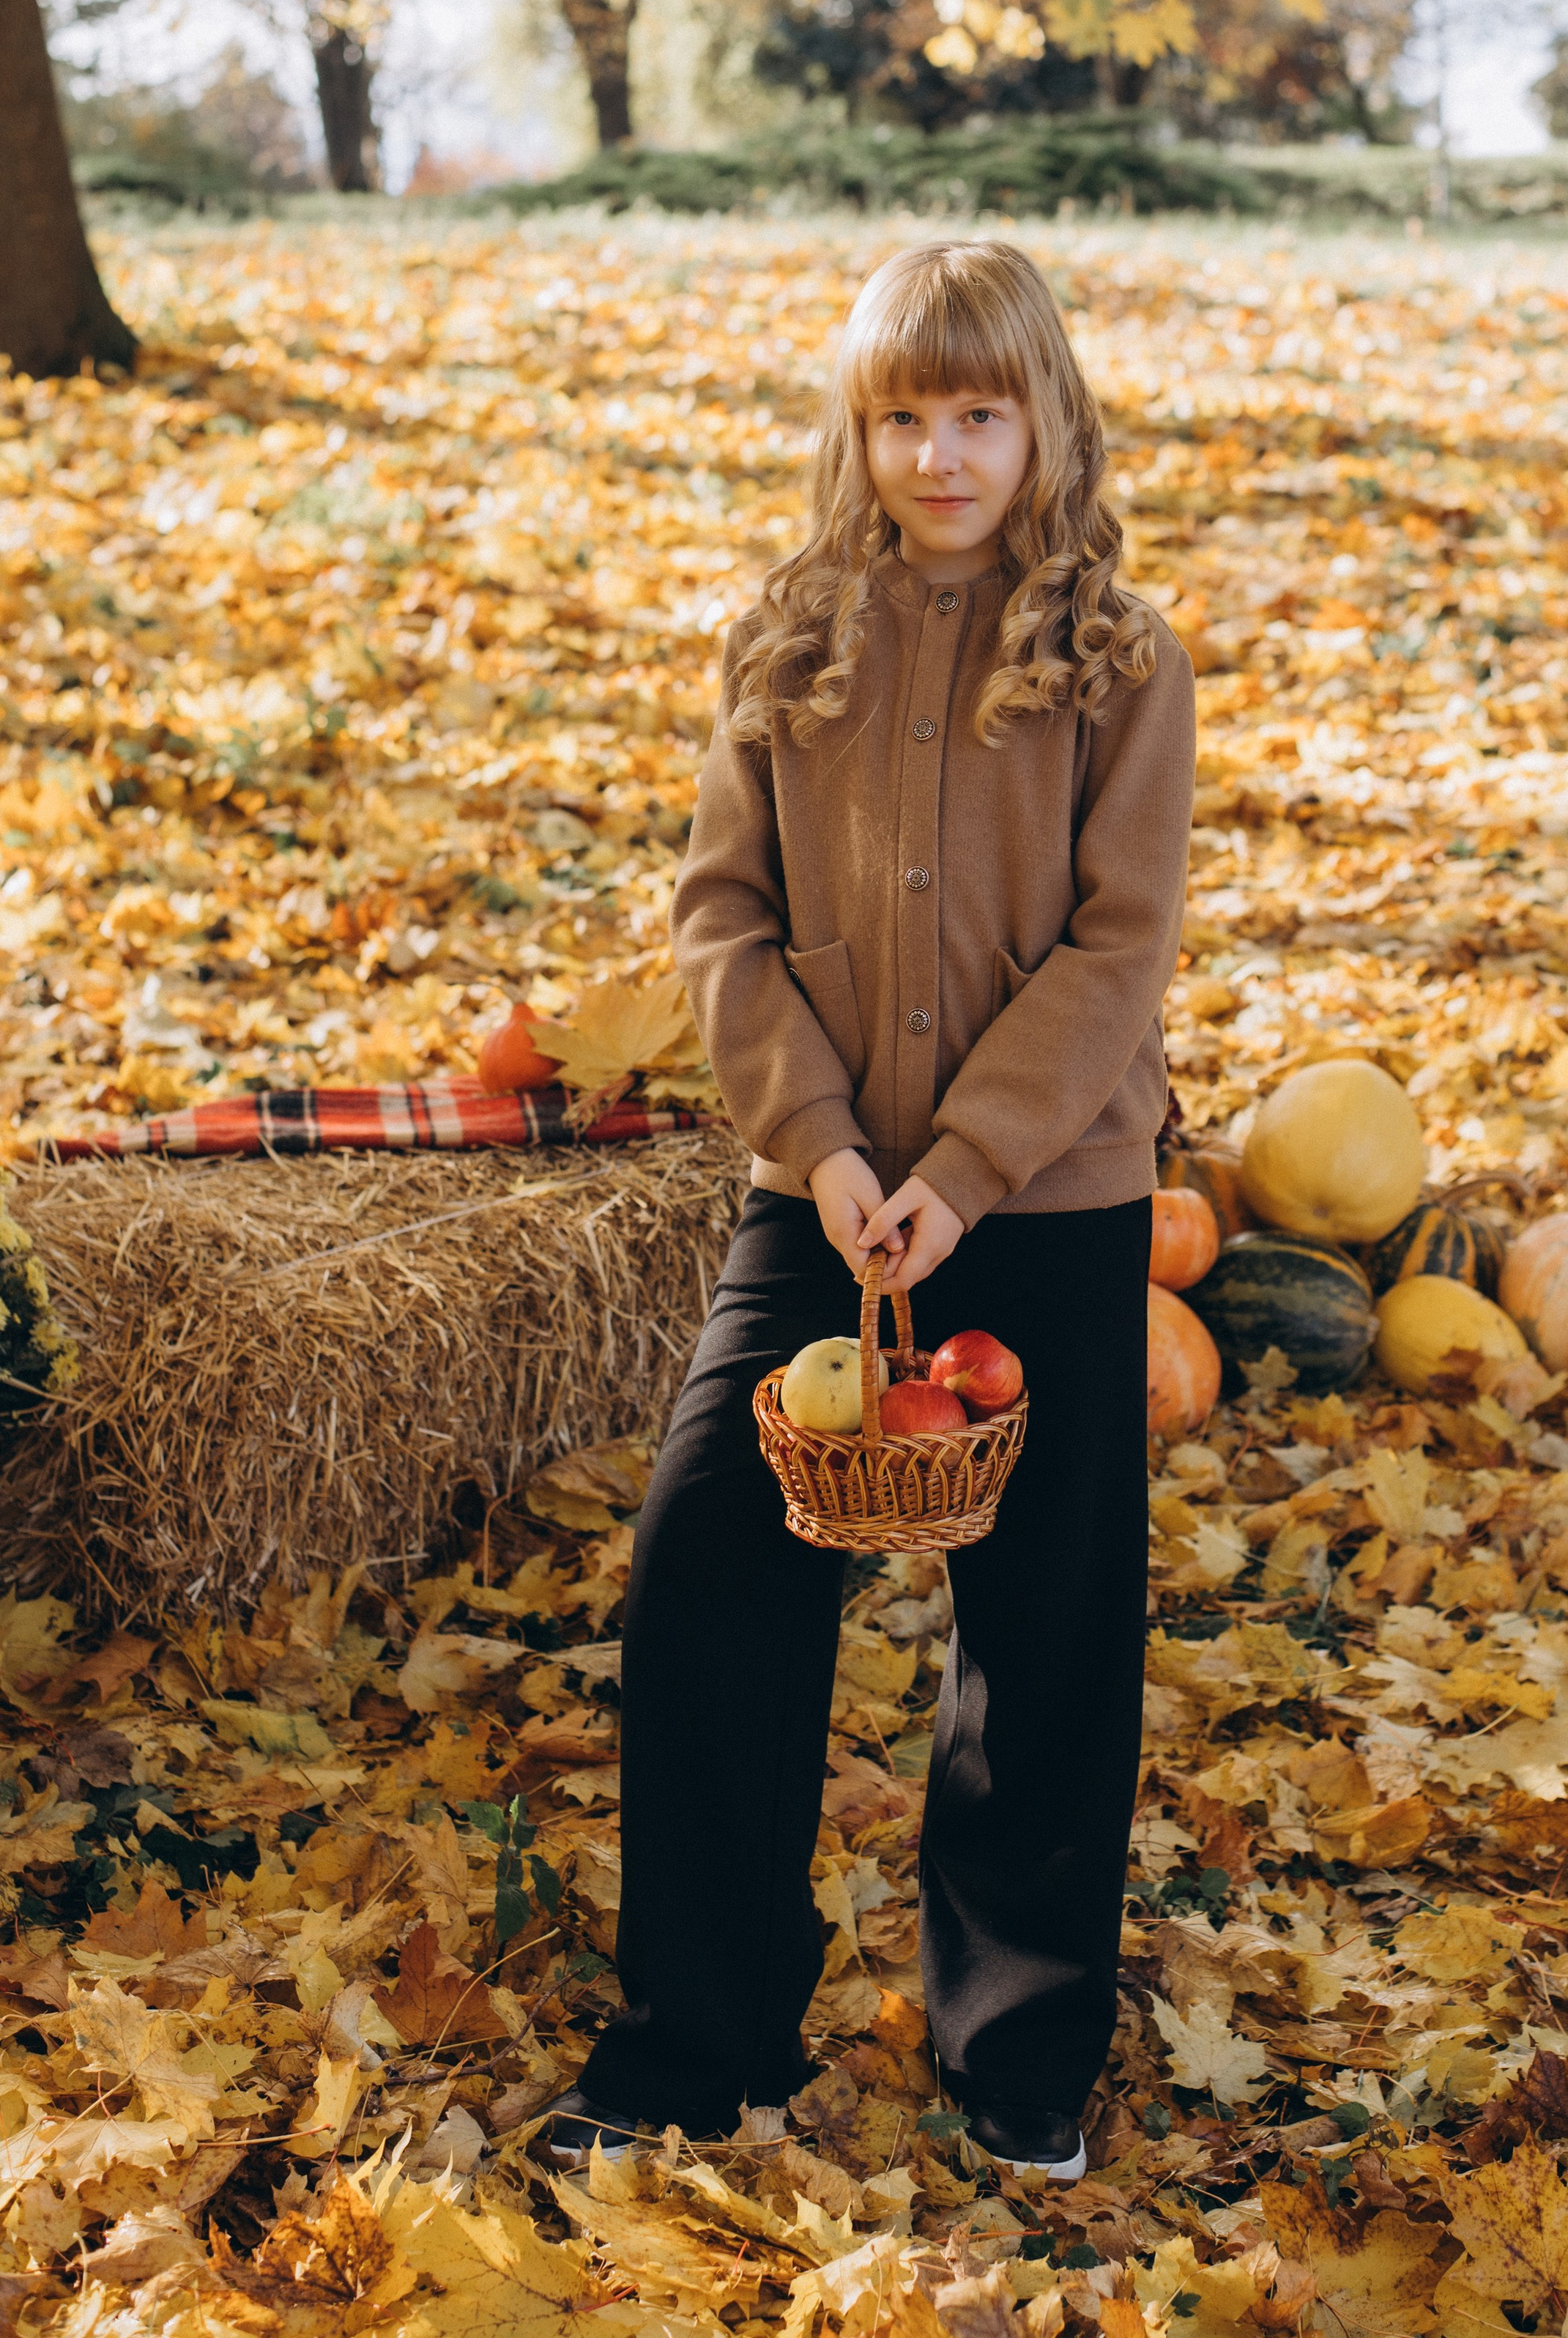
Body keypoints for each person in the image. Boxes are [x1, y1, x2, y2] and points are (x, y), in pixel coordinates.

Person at [542, 238, 1196, 2184]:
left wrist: (963, 1167)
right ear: (859, 427)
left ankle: (1020, 2039)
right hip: (818, 1204)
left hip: (1051, 1195)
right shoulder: (784, 641)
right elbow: (724, 917)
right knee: (711, 1574)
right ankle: (702, 2029)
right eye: (904, 414)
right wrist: (825, 1149)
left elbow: (1120, 947)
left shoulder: (1118, 663)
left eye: (980, 413)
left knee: (1049, 1619)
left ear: (1044, 427)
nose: (940, 452)